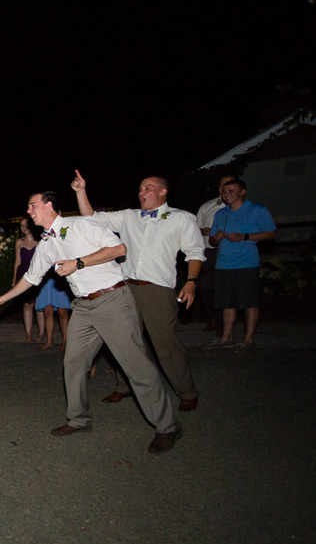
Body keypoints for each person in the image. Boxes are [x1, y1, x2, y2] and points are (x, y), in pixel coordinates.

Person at [0, 191, 181, 453]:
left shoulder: (82, 224)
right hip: (83, 306)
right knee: (73, 362)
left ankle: (168, 427)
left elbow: (119, 249)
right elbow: (31, 278)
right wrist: (3, 299)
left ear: (49, 205)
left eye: (33, 205)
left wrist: (78, 263)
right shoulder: (47, 244)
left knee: (135, 365)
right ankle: (79, 420)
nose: (29, 211)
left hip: (112, 300)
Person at [72, 171, 205, 412]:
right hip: (125, 288)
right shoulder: (129, 217)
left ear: (163, 191)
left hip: (158, 290)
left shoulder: (182, 218)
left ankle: (186, 390)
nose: (141, 192)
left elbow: (195, 252)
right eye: (140, 188)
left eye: (148, 188)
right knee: (125, 341)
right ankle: (124, 387)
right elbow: (91, 218)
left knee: (166, 344)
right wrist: (81, 191)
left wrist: (192, 281)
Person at [207, 179, 277, 350]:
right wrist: (215, 238)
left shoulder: (257, 210)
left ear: (242, 191)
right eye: (224, 191)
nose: (227, 194)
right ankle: (226, 337)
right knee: (227, 302)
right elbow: (212, 240)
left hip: (246, 263)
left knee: (249, 302)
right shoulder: (220, 214)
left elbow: (271, 233)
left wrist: (245, 236)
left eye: (231, 190)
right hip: (223, 264)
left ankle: (248, 339)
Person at [196, 173, 237, 331]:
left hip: (229, 251)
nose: (224, 188)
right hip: (209, 251)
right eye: (222, 184)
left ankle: (221, 323)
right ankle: (214, 317)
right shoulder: (208, 206)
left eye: (228, 184)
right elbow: (195, 227)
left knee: (224, 287)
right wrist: (204, 231)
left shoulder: (237, 207)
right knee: (204, 287)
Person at [14, 218, 41, 342]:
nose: (23, 227)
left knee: (39, 305)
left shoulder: (40, 240)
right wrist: (14, 280)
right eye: (21, 226)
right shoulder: (19, 242)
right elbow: (17, 262)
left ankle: (41, 334)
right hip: (23, 274)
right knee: (27, 305)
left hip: (38, 274)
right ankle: (28, 334)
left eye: (26, 225)